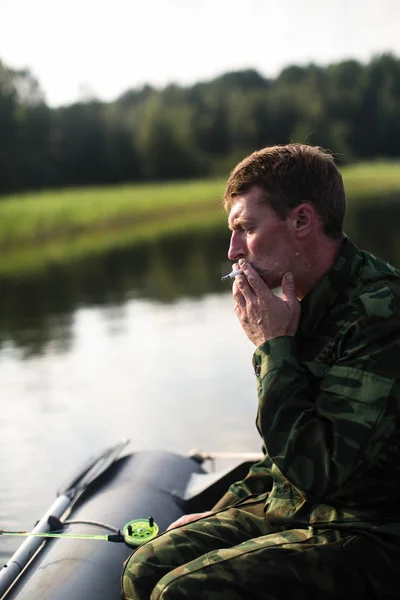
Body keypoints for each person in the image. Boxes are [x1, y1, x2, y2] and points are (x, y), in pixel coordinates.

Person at [122, 144, 400, 599]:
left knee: (181, 591)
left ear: (302, 221)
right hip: (306, 507)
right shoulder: (302, 302)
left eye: (245, 229)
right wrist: (220, 509)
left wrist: (273, 348)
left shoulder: (380, 313)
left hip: (371, 530)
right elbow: (281, 458)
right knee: (145, 566)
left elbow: (318, 470)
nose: (232, 251)